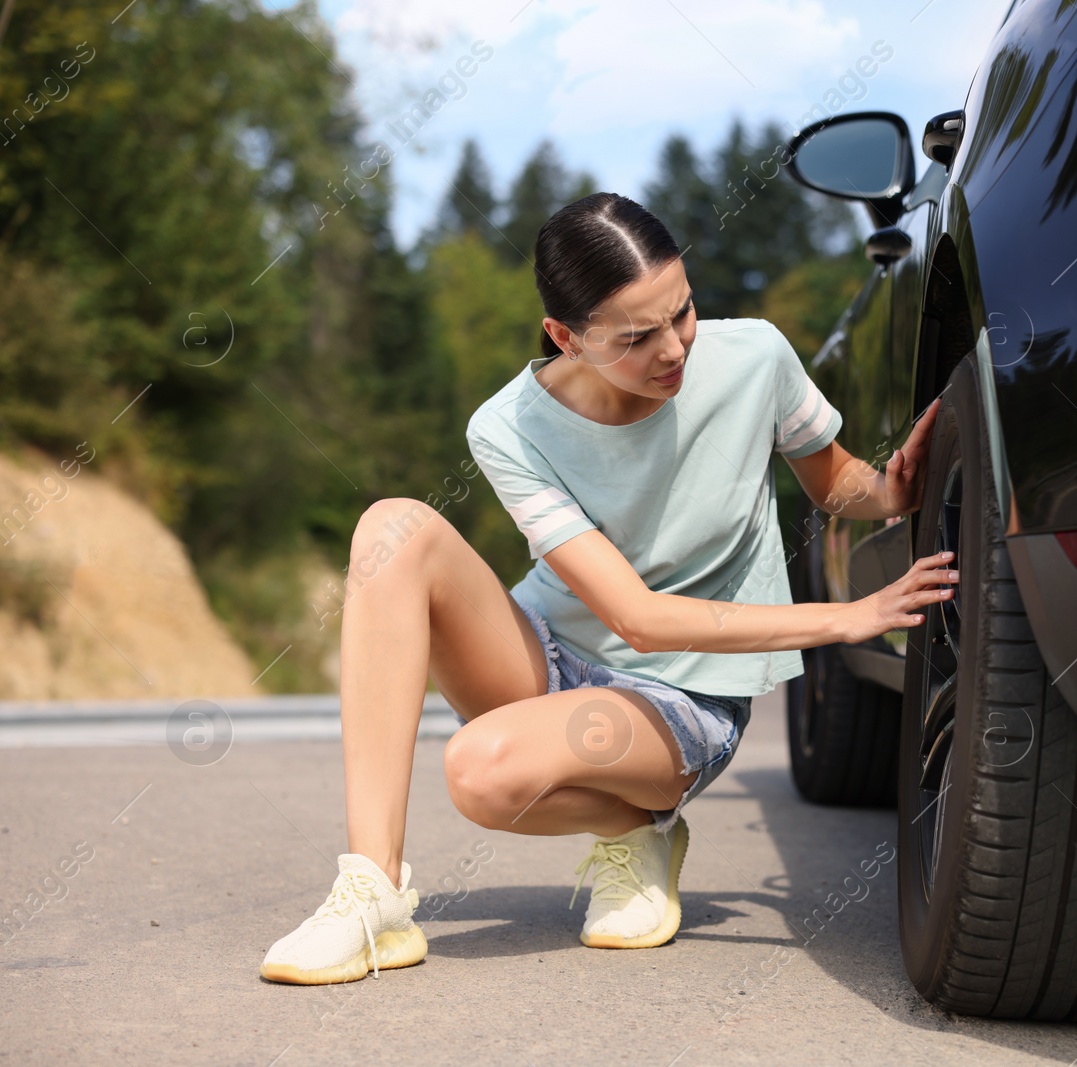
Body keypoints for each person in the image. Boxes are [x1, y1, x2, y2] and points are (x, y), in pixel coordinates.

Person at [258, 191, 956, 984]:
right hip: (550, 654)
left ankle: (642, 824)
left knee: (479, 774)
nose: (673, 351)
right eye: (635, 337)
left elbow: (834, 486)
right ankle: (372, 894)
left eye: (682, 312)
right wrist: (842, 619)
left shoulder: (755, 358)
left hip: (678, 700)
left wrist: (892, 491)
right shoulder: (507, 426)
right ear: (565, 336)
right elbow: (636, 615)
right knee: (392, 526)